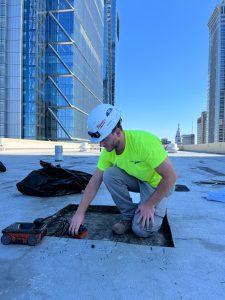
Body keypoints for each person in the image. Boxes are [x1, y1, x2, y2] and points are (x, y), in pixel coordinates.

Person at [69, 104, 177, 237]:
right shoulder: (108, 151)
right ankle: (129, 216)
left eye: (104, 139)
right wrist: (80, 213)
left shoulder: (144, 143)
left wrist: (149, 204)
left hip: (158, 184)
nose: (101, 145)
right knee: (108, 174)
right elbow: (94, 181)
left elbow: (171, 177)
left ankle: (155, 205)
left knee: (142, 230)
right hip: (140, 179)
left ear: (118, 133)